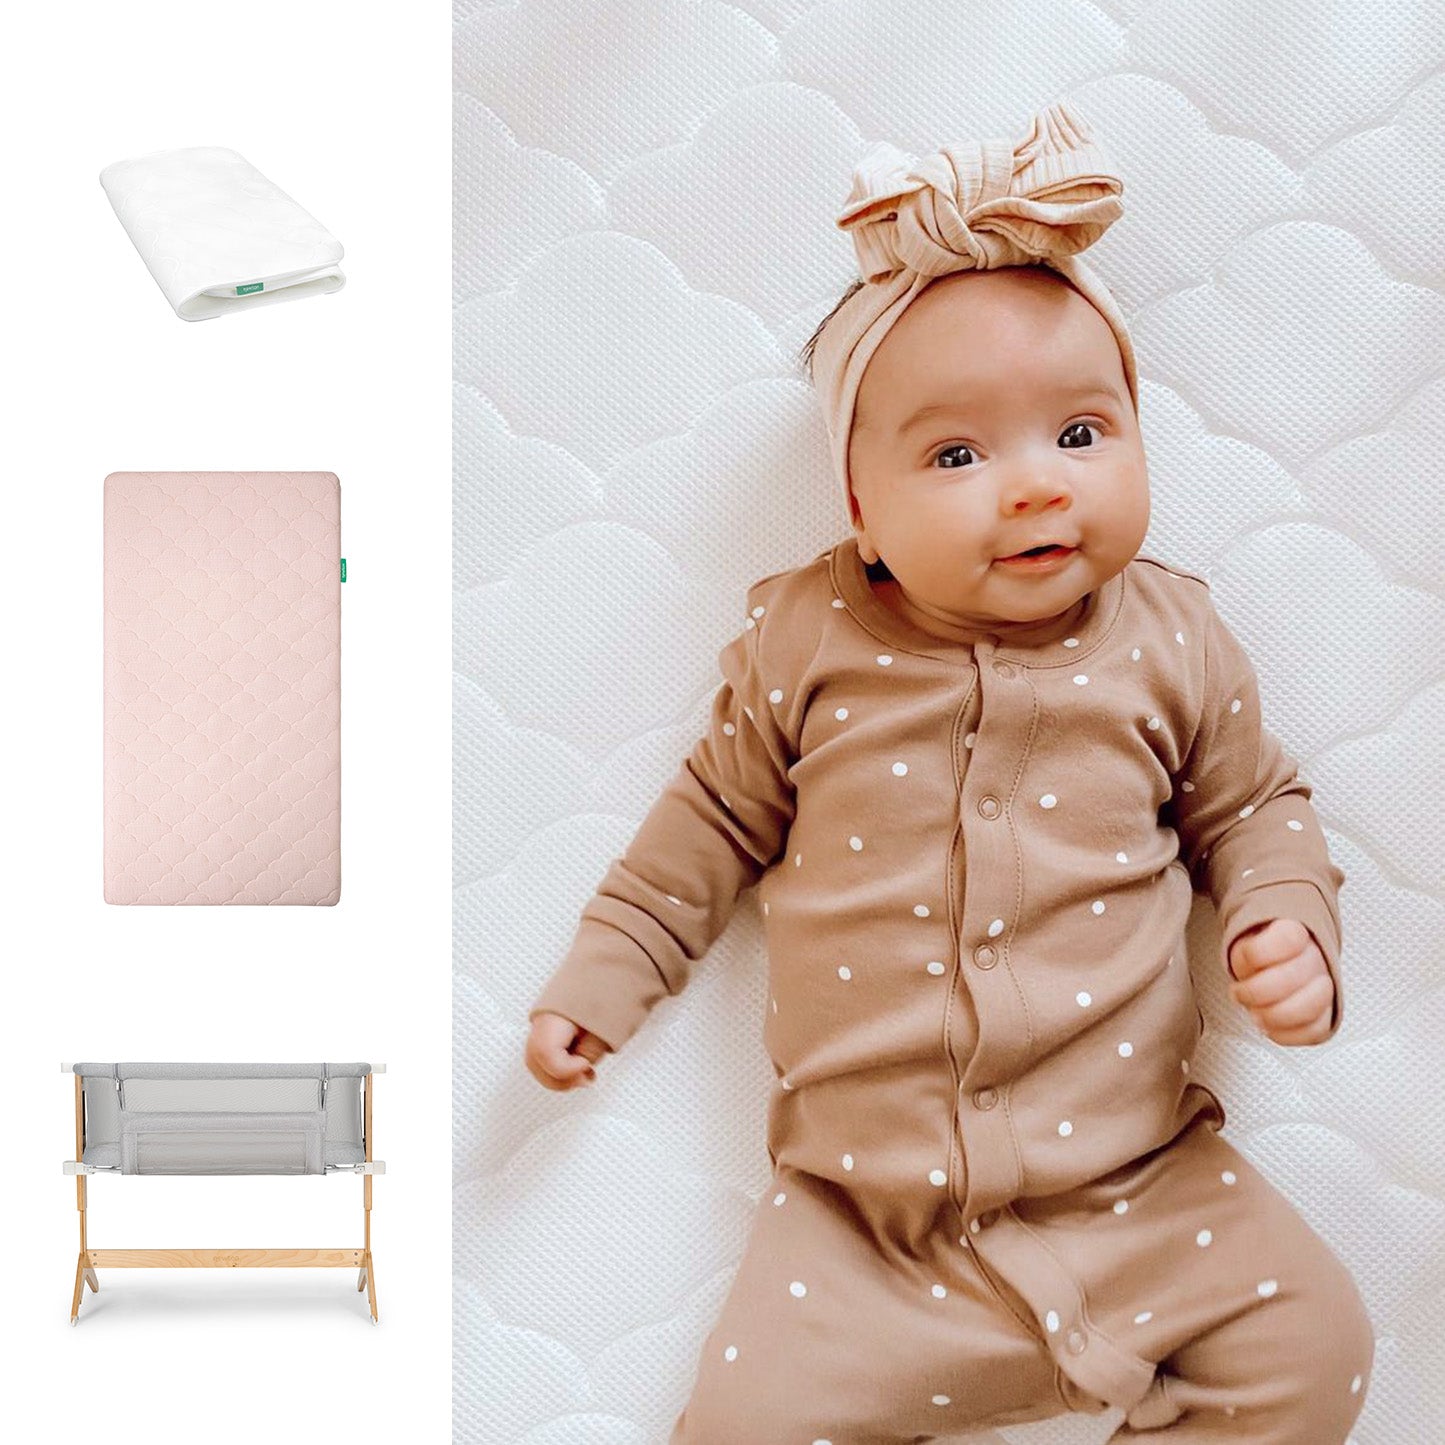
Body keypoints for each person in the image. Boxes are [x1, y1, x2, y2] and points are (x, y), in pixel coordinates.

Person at [525, 101, 1374, 1441]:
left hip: (1141, 1193)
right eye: (957, 455)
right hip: (866, 1232)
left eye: (1081, 434)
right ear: (858, 507)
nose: (1033, 487)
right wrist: (601, 979)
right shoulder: (811, 637)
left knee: (1312, 1339)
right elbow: (702, 826)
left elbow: (1254, 804)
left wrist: (1285, 923)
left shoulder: (1170, 634)